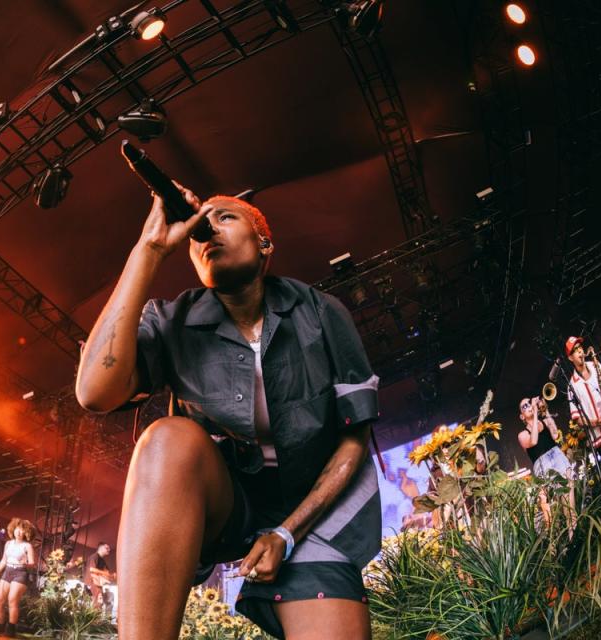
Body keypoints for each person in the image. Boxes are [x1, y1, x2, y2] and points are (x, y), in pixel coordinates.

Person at [76, 188, 380, 639]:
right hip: (229, 506)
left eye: (226, 218)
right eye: (200, 227)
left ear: (265, 244)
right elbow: (93, 393)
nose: (207, 230)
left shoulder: (320, 312)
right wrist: (150, 248)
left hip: (312, 515)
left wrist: (287, 533)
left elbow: (353, 440)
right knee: (166, 438)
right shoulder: (172, 319)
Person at [565, 336, 601, 488]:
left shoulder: (595, 365)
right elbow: (577, 419)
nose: (580, 352)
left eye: (580, 348)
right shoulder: (572, 386)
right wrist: (595, 422)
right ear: (570, 358)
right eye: (575, 351)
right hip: (599, 436)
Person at [517, 396, 576, 527]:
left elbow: (555, 434)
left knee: (570, 509)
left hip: (557, 456)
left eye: (529, 403)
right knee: (554, 515)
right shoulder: (522, 435)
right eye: (525, 406)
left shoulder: (543, 422)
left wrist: (545, 411)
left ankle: (574, 535)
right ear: (522, 416)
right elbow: (533, 441)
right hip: (543, 466)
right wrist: (536, 414)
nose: (529, 406)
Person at [0, 518, 37, 637]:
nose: (19, 532)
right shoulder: (8, 543)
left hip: (20, 572)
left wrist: (26, 563)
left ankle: (11, 630)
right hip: (7, 571)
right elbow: (4, 561)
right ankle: (0, 626)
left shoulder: (27, 546)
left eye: (22, 530)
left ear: (27, 533)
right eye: (17, 529)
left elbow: (32, 563)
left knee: (12, 600)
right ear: (13, 529)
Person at [85, 542, 115, 609]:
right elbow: (92, 569)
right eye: (107, 548)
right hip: (93, 584)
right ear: (100, 548)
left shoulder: (102, 560)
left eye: (109, 548)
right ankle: (95, 619)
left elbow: (106, 572)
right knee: (97, 604)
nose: (109, 550)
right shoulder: (94, 556)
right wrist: (105, 574)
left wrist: (111, 575)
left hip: (98, 584)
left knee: (99, 604)